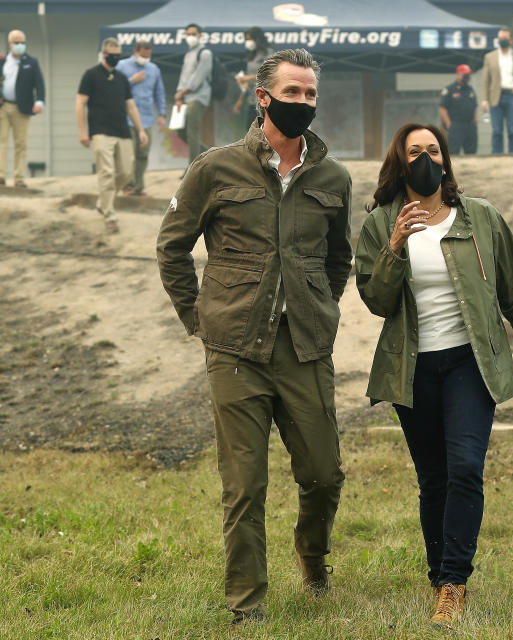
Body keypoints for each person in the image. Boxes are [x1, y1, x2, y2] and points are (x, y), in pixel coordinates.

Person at [156, 48, 352, 626]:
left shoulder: (333, 177)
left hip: (304, 349)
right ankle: (247, 605)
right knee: (244, 485)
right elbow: (172, 248)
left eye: (311, 94)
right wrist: (199, 320)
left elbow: (337, 259)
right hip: (235, 350)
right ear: (262, 97)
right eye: (292, 93)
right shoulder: (217, 168)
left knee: (323, 472)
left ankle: (312, 560)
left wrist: (317, 308)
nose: (304, 103)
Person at [354, 122, 513, 628]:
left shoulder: (481, 218)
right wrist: (395, 246)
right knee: (434, 479)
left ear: (445, 160)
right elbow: (376, 301)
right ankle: (438, 578)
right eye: (414, 152)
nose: (425, 159)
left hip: (470, 362)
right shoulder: (380, 223)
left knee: (466, 467)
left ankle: (454, 583)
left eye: (433, 150)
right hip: (413, 366)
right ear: (399, 163)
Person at [76, 38, 148, 233]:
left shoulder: (122, 78)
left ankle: (102, 201)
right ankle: (110, 215)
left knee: (125, 172)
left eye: (119, 55)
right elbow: (80, 103)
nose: (116, 58)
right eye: (113, 55)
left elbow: (130, 106)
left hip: (123, 131)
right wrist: (83, 131)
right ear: (104, 54)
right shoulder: (90, 75)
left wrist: (140, 129)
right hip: (100, 132)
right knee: (106, 172)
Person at [0, 29, 45, 187]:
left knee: (21, 143)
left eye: (22, 43)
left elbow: (39, 84)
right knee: (2, 140)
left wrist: (39, 101)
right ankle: (0, 175)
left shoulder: (31, 62)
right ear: (9, 44)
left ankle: (19, 177)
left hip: (23, 107)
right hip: (3, 106)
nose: (19, 45)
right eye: (16, 42)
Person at [116, 41, 166, 196]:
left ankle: (138, 187)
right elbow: (114, 88)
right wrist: (132, 81)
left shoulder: (154, 69)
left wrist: (162, 114)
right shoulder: (122, 66)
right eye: (143, 55)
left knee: (142, 154)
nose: (145, 58)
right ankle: (127, 186)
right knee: (128, 154)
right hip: (126, 118)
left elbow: (159, 93)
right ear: (135, 52)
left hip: (146, 119)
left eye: (148, 56)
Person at [480, 27, 513, 153]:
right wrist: (484, 100)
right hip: (495, 96)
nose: (502, 41)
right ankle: (497, 156)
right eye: (500, 38)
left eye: (505, 38)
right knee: (497, 131)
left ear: (511, 40)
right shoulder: (490, 57)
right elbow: (486, 80)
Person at [175, 23, 213, 163]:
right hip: (185, 97)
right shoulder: (188, 54)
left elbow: (199, 78)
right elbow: (183, 77)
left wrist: (182, 92)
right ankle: (210, 155)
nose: (191, 37)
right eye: (188, 34)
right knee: (181, 132)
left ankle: (191, 168)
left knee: (192, 132)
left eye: (193, 34)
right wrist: (179, 95)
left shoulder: (205, 53)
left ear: (200, 35)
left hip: (198, 97)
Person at [233, 27, 273, 127]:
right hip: (252, 98)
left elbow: (270, 74)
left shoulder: (268, 53)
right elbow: (247, 84)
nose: (248, 42)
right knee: (251, 129)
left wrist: (248, 77)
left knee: (264, 130)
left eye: (250, 39)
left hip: (266, 98)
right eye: (246, 40)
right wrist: (240, 100)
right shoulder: (252, 55)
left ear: (257, 39)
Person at [439, 64, 478, 155]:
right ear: (458, 74)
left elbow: (475, 106)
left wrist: (475, 122)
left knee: (471, 152)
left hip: (470, 125)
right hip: (456, 125)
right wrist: (448, 123)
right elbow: (442, 107)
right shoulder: (449, 89)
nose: (467, 77)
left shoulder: (470, 89)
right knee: (454, 152)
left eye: (468, 75)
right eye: (465, 74)